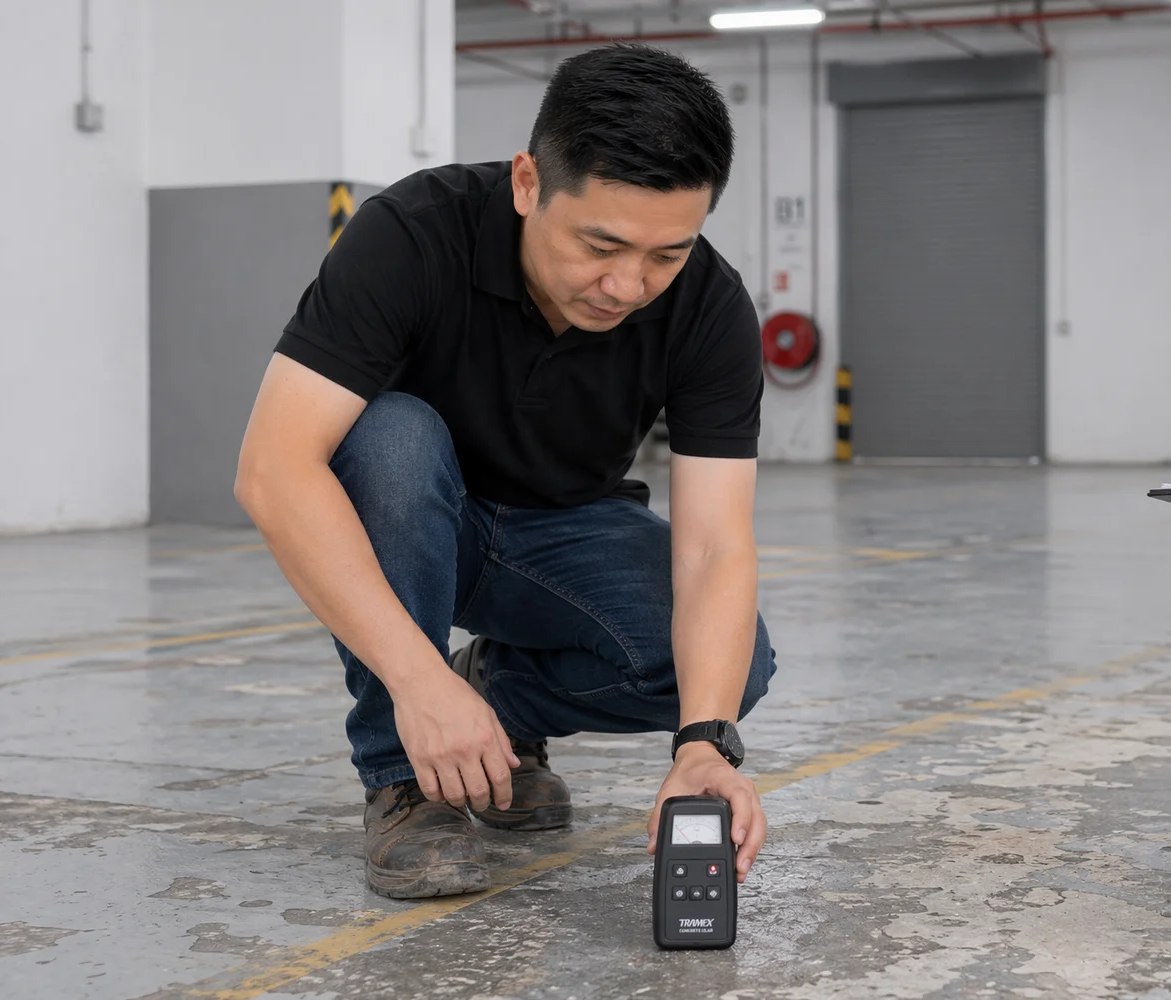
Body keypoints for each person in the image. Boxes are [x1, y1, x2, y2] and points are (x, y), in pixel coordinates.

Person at [236, 44, 775, 899]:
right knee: (392, 437)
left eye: (665, 255)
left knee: (733, 667)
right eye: (600, 244)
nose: (628, 284)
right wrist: (413, 681)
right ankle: (404, 779)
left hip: (561, 534)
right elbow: (272, 468)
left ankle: (492, 697)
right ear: (529, 183)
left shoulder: (708, 305)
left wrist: (704, 743)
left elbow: (715, 546)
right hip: (410, 519)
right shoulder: (412, 234)